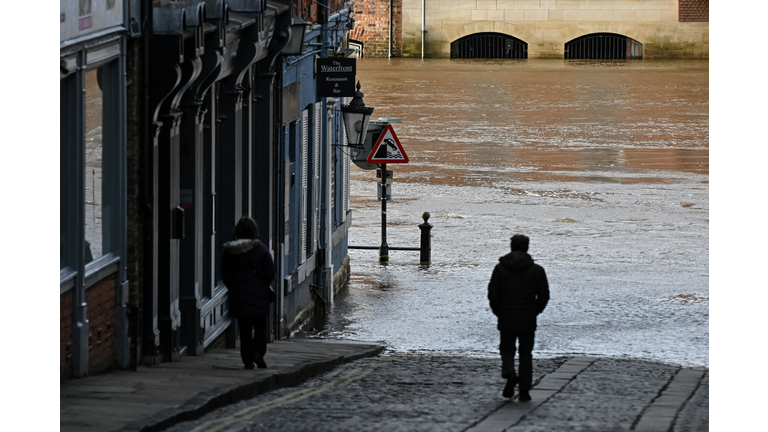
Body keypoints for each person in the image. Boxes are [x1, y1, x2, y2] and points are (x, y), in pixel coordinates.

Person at [488, 234, 549, 401]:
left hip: (506, 316)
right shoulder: (537, 271)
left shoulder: (500, 269)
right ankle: (524, 390)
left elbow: (493, 294)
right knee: (525, 354)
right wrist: (535, 311)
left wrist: (499, 312)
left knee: (507, 349)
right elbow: (544, 296)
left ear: (511, 247)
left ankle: (509, 373)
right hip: (528, 318)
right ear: (527, 247)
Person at [222, 216, 276, 369]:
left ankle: (247, 360)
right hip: (259, 295)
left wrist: (234, 287)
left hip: (239, 297)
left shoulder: (230, 252)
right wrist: (262, 285)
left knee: (244, 329)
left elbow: (225, 274)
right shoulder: (261, 249)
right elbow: (270, 272)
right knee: (260, 326)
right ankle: (258, 353)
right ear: (254, 231)